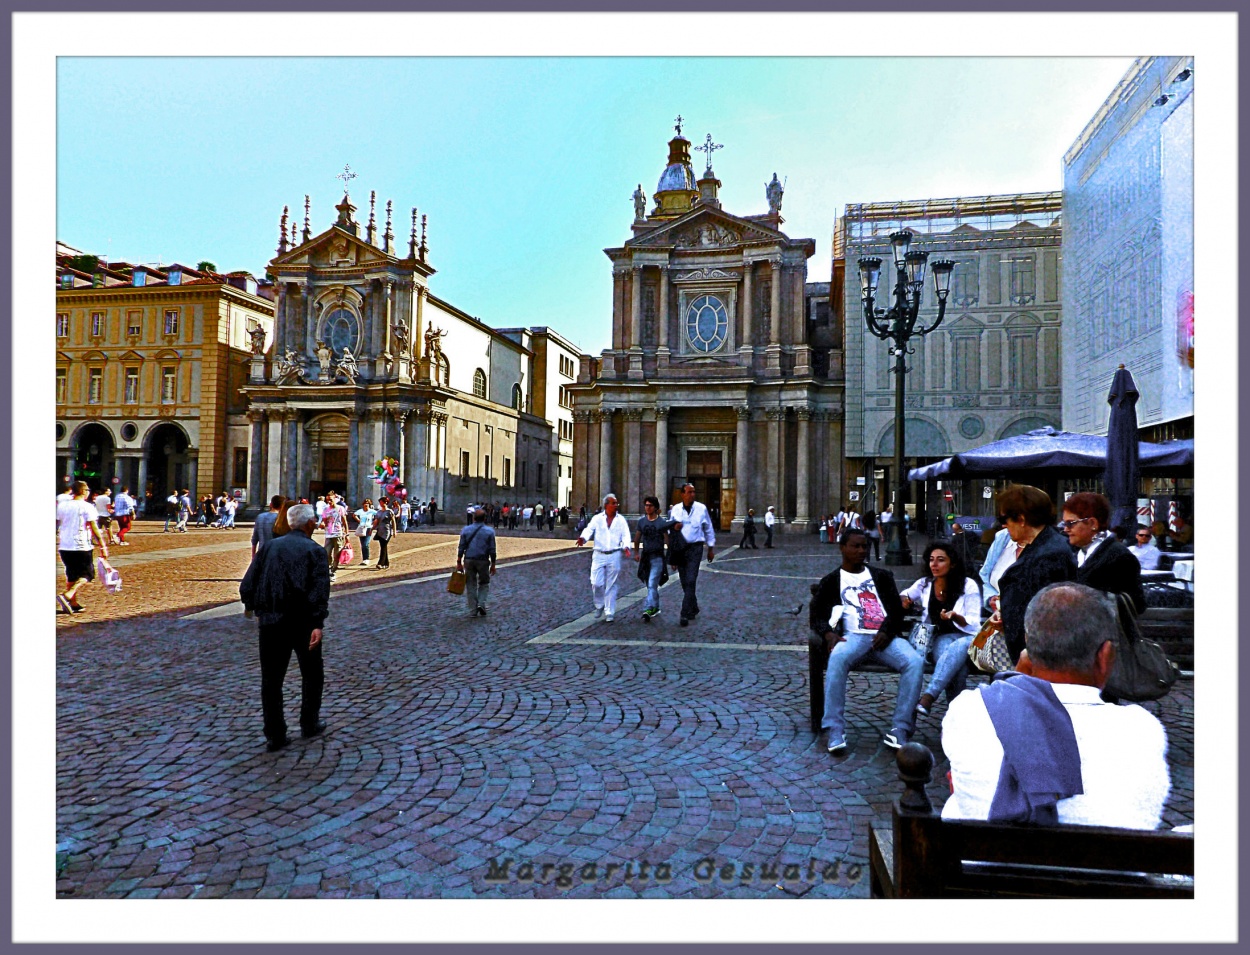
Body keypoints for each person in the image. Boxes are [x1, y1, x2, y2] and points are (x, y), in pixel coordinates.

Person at [941, 582, 1169, 828]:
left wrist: (1019, 680)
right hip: (1108, 863)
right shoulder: (1143, 728)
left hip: (980, 862)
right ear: (1105, 656)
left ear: (1028, 647)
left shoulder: (968, 710)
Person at [808, 527, 922, 752]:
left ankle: (900, 729)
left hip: (885, 639)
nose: (861, 550)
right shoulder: (832, 580)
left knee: (914, 662)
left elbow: (896, 611)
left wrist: (886, 632)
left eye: (864, 546)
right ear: (843, 548)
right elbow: (817, 614)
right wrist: (829, 634)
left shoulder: (881, 576)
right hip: (853, 637)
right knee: (838, 658)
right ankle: (834, 729)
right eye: (856, 546)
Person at [239, 503, 330, 753]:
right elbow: (319, 591)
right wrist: (317, 623)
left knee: (271, 680)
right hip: (303, 623)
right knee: (312, 675)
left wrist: (258, 609)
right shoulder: (315, 551)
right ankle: (309, 722)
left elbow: (247, 585)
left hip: (271, 622)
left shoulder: (268, 547)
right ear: (310, 524)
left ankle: (275, 735)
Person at [988, 485, 1076, 664]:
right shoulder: (1041, 546)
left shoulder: (1049, 554)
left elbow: (1047, 614)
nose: (1003, 525)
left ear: (1021, 519)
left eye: (1004, 519)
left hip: (1040, 657)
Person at [900, 541, 983, 718]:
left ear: (952, 563)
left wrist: (955, 617)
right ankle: (959, 719)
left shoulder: (968, 585)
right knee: (957, 671)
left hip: (969, 638)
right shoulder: (924, 584)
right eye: (931, 560)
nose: (934, 565)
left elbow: (974, 623)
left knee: (959, 646)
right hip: (941, 638)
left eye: (940, 560)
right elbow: (904, 594)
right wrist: (905, 600)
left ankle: (929, 696)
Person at [1061, 491, 1146, 613]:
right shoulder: (1076, 553)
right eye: (1064, 524)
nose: (1066, 529)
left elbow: (1136, 604)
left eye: (1070, 523)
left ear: (1092, 523)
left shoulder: (1119, 556)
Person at [576, 493, 632, 623]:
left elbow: (626, 535)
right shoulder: (597, 519)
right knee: (596, 582)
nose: (616, 505)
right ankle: (599, 605)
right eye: (613, 503)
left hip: (614, 554)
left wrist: (626, 546)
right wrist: (583, 538)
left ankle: (609, 611)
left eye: (616, 503)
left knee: (611, 584)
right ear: (606, 505)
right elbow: (589, 529)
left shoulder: (621, 520)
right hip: (599, 554)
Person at [56, 480, 109, 614]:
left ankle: (72, 603)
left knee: (71, 574)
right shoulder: (87, 506)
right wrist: (102, 545)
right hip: (81, 545)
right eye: (87, 490)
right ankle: (69, 594)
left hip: (65, 545)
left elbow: (57, 523)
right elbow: (94, 528)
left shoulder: (62, 506)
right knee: (88, 574)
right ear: (83, 491)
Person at [669, 483, 715, 627]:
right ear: (682, 494)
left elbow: (708, 528)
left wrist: (711, 548)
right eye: (689, 492)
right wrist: (672, 556)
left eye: (694, 492)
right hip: (680, 548)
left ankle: (684, 613)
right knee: (684, 580)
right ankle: (693, 607)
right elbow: (672, 534)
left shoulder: (701, 509)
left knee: (691, 579)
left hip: (695, 548)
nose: (692, 495)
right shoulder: (675, 510)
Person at [633, 495, 670, 621]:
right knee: (650, 584)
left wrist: (671, 557)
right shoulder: (642, 522)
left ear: (655, 508)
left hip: (658, 557)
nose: (647, 508)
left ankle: (648, 608)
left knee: (652, 582)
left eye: (650, 505)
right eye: (646, 505)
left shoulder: (661, 523)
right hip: (646, 557)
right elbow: (637, 538)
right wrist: (636, 552)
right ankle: (655, 607)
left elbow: (667, 540)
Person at [457, 507, 497, 616]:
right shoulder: (490, 531)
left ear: (474, 518)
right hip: (483, 560)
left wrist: (459, 561)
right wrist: (493, 564)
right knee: (484, 582)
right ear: (485, 518)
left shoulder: (465, 530)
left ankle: (472, 611)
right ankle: (481, 603)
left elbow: (461, 547)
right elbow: (492, 550)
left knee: (470, 584)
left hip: (469, 559)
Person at [319, 490, 349, 581]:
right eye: (327, 500)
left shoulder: (340, 508)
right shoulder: (325, 510)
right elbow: (323, 523)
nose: (329, 502)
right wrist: (324, 522)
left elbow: (344, 521)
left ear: (335, 499)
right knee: (326, 553)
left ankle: (333, 571)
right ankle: (328, 569)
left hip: (338, 533)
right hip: (329, 534)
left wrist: (346, 534)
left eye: (330, 499)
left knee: (337, 554)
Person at [251, 494, 285, 559]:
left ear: (271, 504)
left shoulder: (260, 517)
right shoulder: (281, 518)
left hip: (262, 551)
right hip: (276, 553)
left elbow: (254, 539)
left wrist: (253, 556)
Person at [373, 498, 396, 569]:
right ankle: (386, 563)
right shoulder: (379, 512)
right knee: (383, 547)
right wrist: (372, 529)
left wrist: (394, 531)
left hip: (387, 531)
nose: (380, 503)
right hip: (380, 530)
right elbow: (376, 521)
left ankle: (380, 563)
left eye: (381, 502)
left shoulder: (389, 511)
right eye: (380, 502)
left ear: (385, 502)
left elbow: (393, 521)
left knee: (383, 546)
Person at [353, 499, 377, 566]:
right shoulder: (360, 511)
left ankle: (366, 559)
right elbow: (354, 515)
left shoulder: (371, 511)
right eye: (365, 503)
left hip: (368, 528)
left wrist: (374, 522)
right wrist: (359, 520)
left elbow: (378, 516)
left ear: (369, 504)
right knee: (362, 544)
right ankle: (364, 559)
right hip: (361, 528)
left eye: (367, 503)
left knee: (366, 544)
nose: (366, 504)